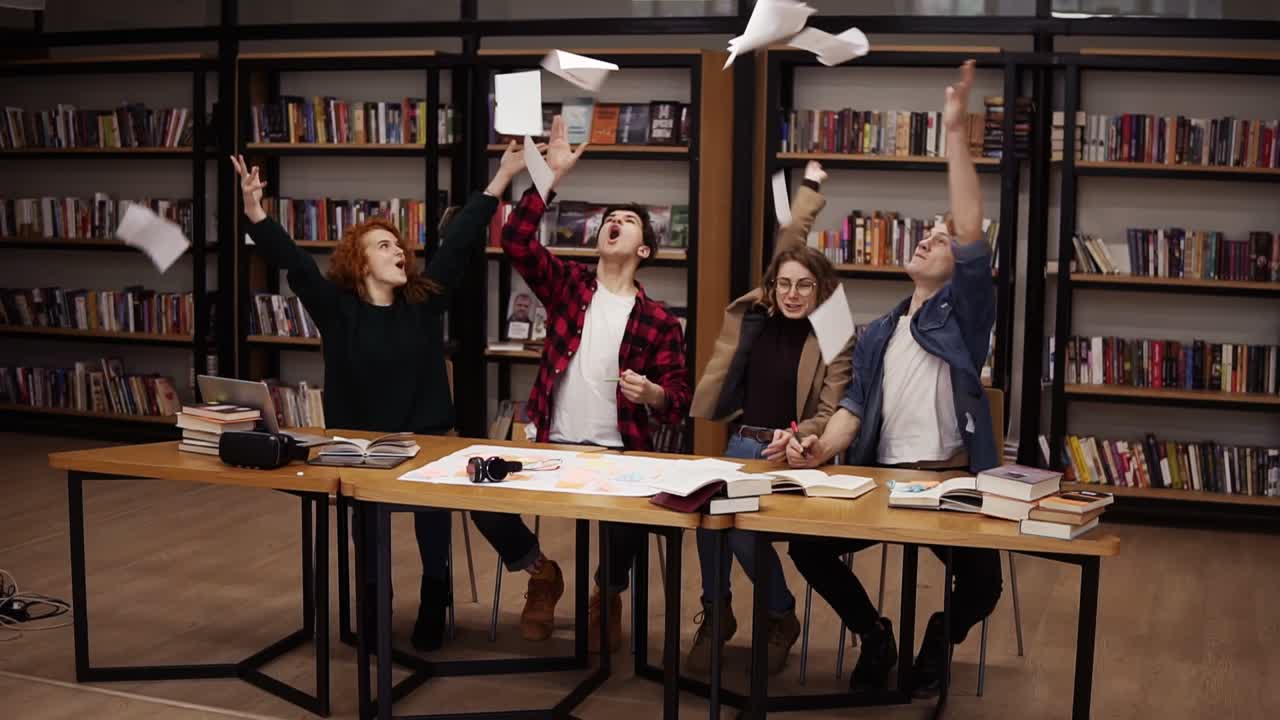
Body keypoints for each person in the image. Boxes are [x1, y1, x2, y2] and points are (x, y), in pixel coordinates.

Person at [233, 142, 556, 653]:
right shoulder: (338, 311)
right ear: (358, 262)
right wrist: (256, 214)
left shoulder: (422, 304)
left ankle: (436, 595)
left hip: (427, 444)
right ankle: (373, 601)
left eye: (398, 246)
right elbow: (295, 264)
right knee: (367, 519)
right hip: (361, 452)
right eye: (383, 247)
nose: (398, 252)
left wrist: (502, 179)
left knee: (434, 503)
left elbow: (459, 243)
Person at [784, 60, 1003, 698]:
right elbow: (852, 407)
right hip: (883, 482)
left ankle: (938, 635)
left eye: (938, 239)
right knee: (807, 546)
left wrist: (955, 133)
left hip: (950, 481)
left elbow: (969, 230)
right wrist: (818, 447)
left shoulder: (963, 316)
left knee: (983, 586)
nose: (929, 240)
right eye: (925, 234)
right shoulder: (878, 331)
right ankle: (874, 632)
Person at [473, 115, 691, 654]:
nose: (614, 222)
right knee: (478, 491)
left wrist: (656, 395)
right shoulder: (569, 286)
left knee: (636, 516)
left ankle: (607, 591)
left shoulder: (661, 320)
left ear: (644, 250)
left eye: (627, 221)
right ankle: (540, 573)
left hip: (623, 454)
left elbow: (679, 402)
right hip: (554, 448)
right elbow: (518, 241)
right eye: (609, 219)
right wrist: (550, 177)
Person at [686, 160, 853, 675]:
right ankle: (717, 614)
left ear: (821, 289)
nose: (792, 294)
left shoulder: (835, 334)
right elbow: (791, 233)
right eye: (785, 284)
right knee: (705, 521)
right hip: (739, 444)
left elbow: (830, 409)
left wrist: (801, 436)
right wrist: (810, 185)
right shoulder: (764, 308)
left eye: (805, 286)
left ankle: (780, 615)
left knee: (739, 530)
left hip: (789, 456)